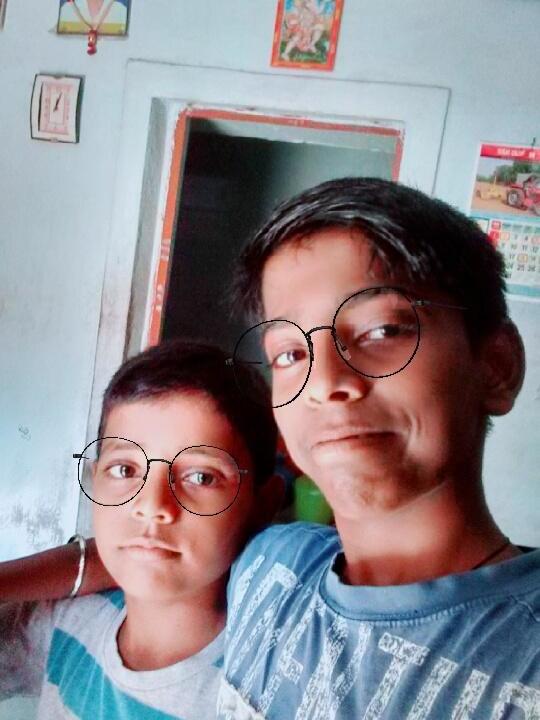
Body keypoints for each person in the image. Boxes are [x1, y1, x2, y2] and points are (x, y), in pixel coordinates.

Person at [4, 178, 540, 718]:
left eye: (381, 331)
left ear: (496, 366)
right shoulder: (274, 565)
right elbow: (141, 546)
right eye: (290, 354)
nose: (323, 381)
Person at [0, 339, 279, 719]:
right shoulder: (66, 622)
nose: (151, 505)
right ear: (95, 479)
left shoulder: (266, 692)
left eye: (201, 476)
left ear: (263, 503)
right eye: (125, 469)